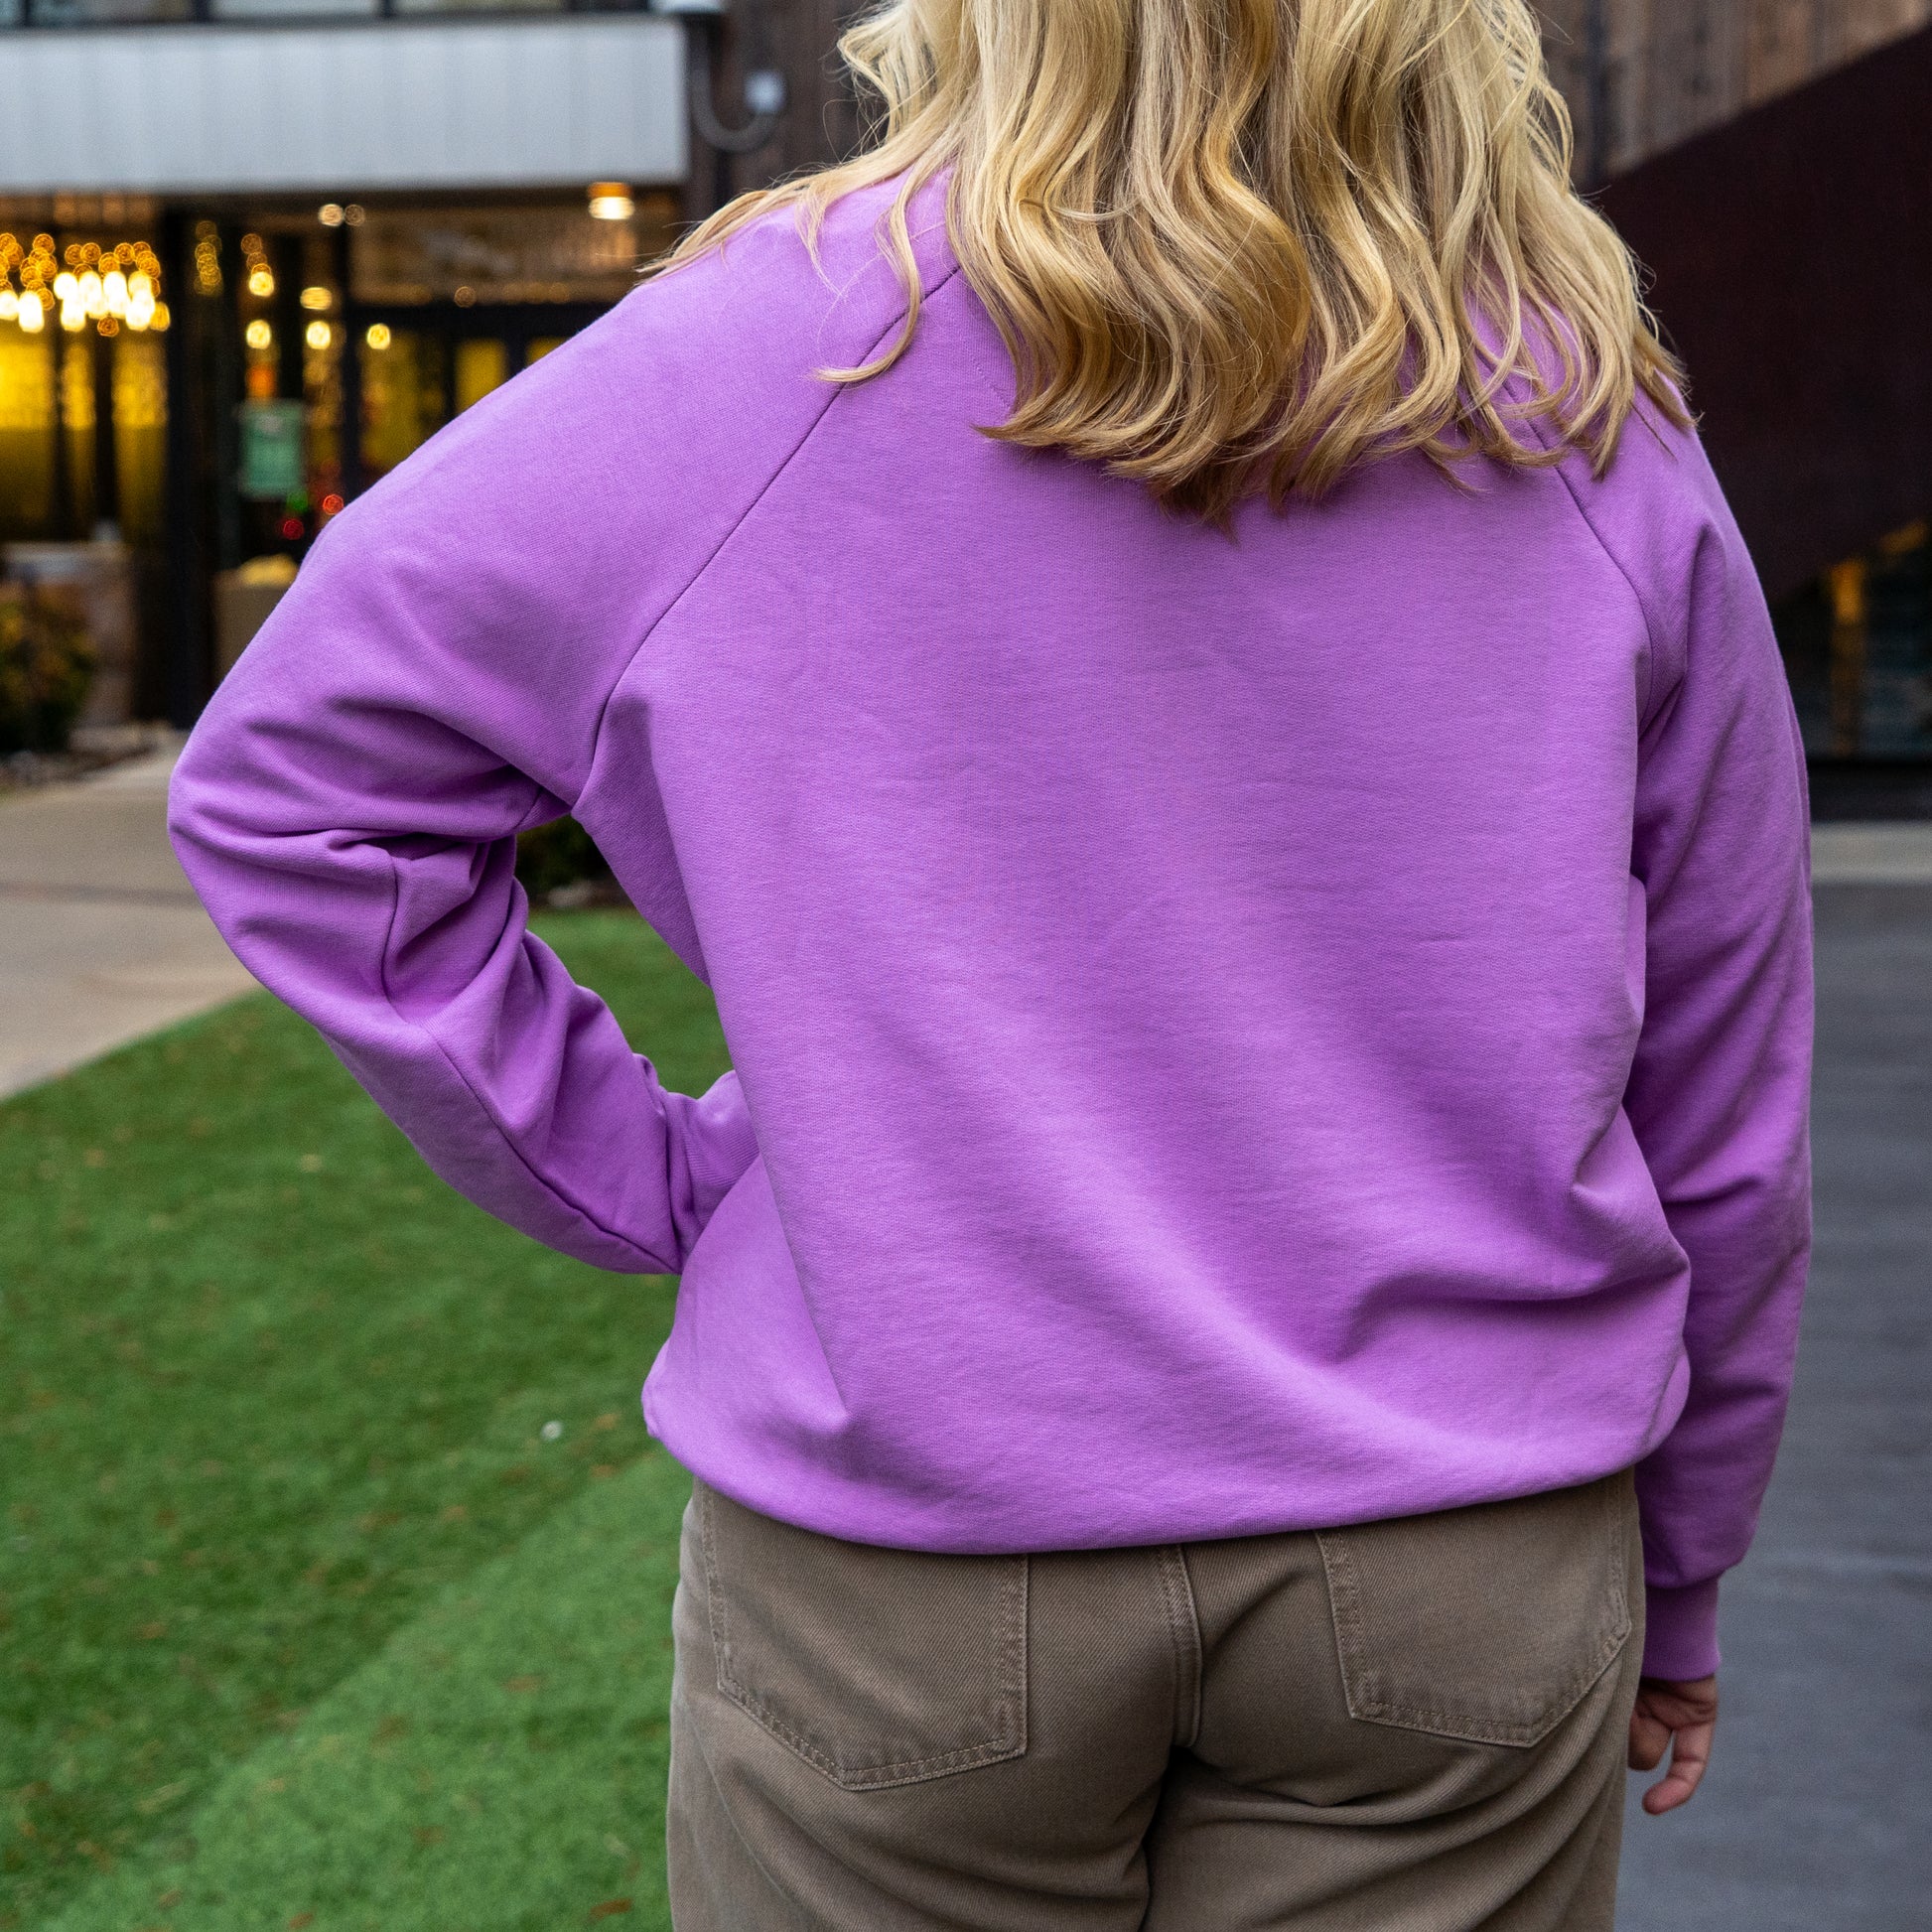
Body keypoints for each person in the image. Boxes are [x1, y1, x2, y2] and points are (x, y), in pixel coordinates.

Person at [168, 0, 1813, 1924]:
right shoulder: (1576, 411)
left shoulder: (763, 351)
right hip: (1451, 1561)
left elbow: (293, 794)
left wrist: (659, 1183)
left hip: (911, 1565)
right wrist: (1682, 1566)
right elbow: (1727, 1091)